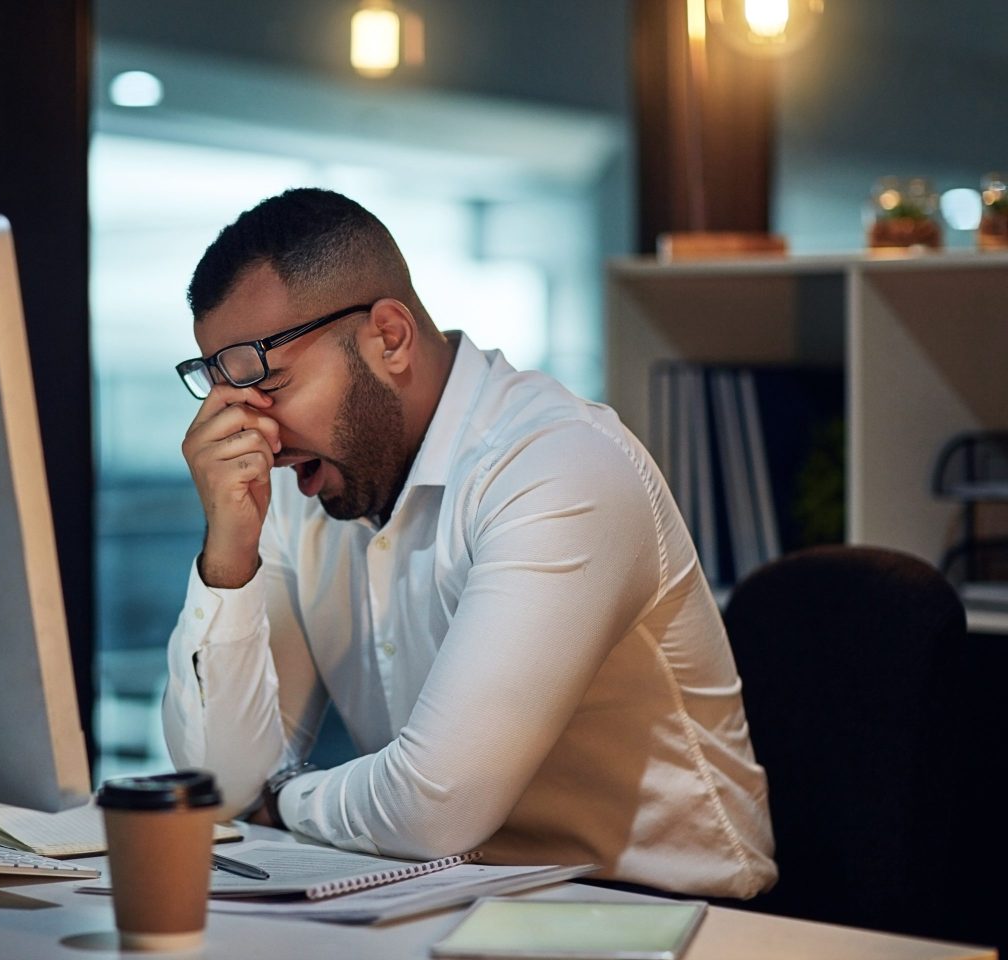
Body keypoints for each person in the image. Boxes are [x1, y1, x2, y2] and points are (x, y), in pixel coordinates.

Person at [161, 187, 776, 898]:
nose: (254, 435)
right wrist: (228, 555)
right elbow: (219, 786)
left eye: (270, 385)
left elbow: (434, 806)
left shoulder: (558, 467)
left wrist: (287, 797)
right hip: (452, 900)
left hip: (666, 913)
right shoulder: (304, 486)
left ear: (389, 338)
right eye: (231, 400)